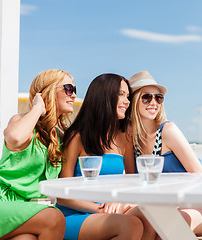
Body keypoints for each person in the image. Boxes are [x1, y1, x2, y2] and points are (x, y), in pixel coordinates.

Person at [124, 70, 202, 239]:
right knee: (134, 224)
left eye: (158, 97)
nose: (154, 102)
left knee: (168, 226)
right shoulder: (131, 139)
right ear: (133, 101)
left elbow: (199, 176)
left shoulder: (167, 131)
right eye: (146, 97)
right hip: (165, 206)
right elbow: (131, 182)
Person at [56, 73, 143, 240]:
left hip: (110, 212)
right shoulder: (77, 136)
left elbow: (133, 183)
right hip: (75, 215)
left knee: (150, 216)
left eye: (128, 96)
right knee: (131, 225)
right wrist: (100, 209)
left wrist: (121, 202)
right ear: (104, 97)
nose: (127, 101)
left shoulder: (125, 137)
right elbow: (63, 196)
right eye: (121, 95)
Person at [0, 69, 76, 239]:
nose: (74, 95)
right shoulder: (20, 121)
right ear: (48, 91)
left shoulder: (59, 139)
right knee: (54, 217)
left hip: (26, 209)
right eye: (69, 89)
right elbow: (15, 138)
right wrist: (38, 107)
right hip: (1, 201)